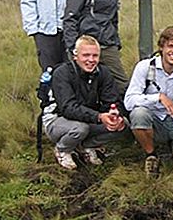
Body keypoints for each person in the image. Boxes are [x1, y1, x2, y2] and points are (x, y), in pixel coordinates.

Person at [43, 35, 128, 170]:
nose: (91, 60)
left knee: (122, 125)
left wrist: (114, 114)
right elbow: (68, 108)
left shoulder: (103, 72)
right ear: (75, 56)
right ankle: (62, 149)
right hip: (57, 119)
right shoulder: (62, 73)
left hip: (87, 117)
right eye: (86, 55)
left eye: (95, 56)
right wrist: (99, 117)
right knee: (80, 129)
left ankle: (87, 146)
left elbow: (112, 100)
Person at [124, 26, 173, 178]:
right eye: (170, 46)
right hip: (153, 118)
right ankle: (151, 155)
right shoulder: (145, 67)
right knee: (138, 114)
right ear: (161, 47)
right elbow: (129, 100)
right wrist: (158, 97)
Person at [63, 0, 128, 95]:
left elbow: (114, 20)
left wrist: (116, 43)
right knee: (83, 85)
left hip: (107, 45)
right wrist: (73, 47)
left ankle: (123, 114)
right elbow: (69, 19)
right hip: (86, 45)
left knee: (121, 84)